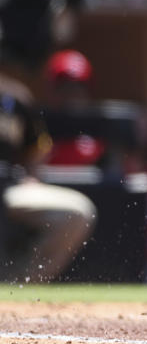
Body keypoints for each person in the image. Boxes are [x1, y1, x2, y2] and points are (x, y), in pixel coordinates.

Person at [0, 71, 97, 283]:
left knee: (78, 212)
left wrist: (31, 176)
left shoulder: (15, 97)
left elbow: (37, 149)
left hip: (7, 188)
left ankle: (20, 285)